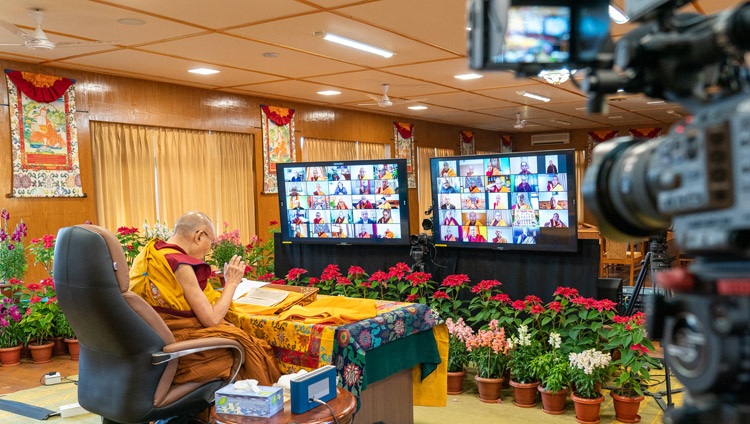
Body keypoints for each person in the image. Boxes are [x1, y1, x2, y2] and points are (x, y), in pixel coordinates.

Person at [129, 212, 282, 386]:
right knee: (251, 347)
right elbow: (211, 319)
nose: (209, 250)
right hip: (181, 355)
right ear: (199, 236)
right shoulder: (180, 263)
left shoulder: (149, 254)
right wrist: (232, 283)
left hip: (149, 348)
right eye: (211, 242)